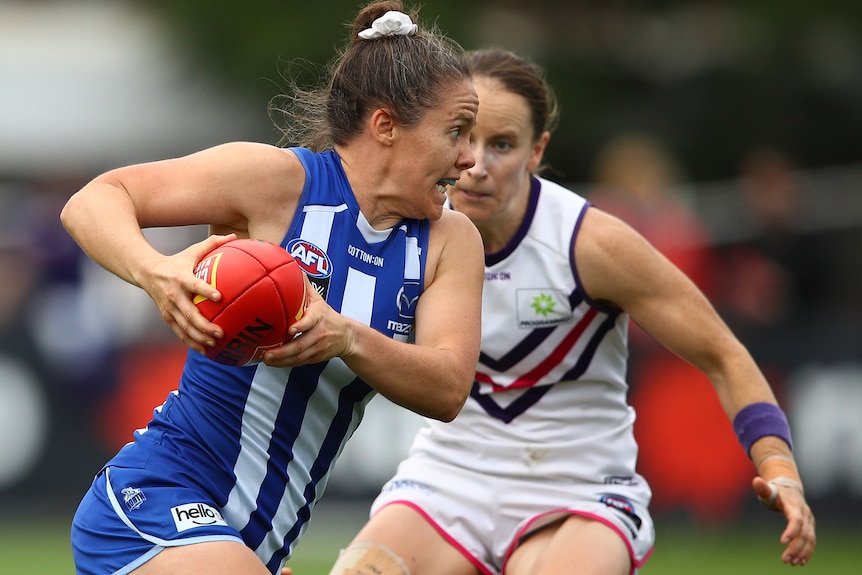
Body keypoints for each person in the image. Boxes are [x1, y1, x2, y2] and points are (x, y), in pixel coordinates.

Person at [324, 48, 816, 575]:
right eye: (465, 136)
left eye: (504, 144)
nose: (478, 165)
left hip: (577, 494)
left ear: (537, 152)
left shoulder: (589, 243)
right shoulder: (405, 229)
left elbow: (725, 355)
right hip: (446, 481)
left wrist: (779, 466)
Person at [60, 2, 484, 574]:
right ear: (386, 126)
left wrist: (347, 338)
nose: (469, 159)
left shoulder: (448, 241)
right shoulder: (278, 182)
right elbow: (94, 200)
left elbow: (449, 388)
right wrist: (154, 271)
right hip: (159, 494)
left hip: (259, 540)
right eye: (456, 132)